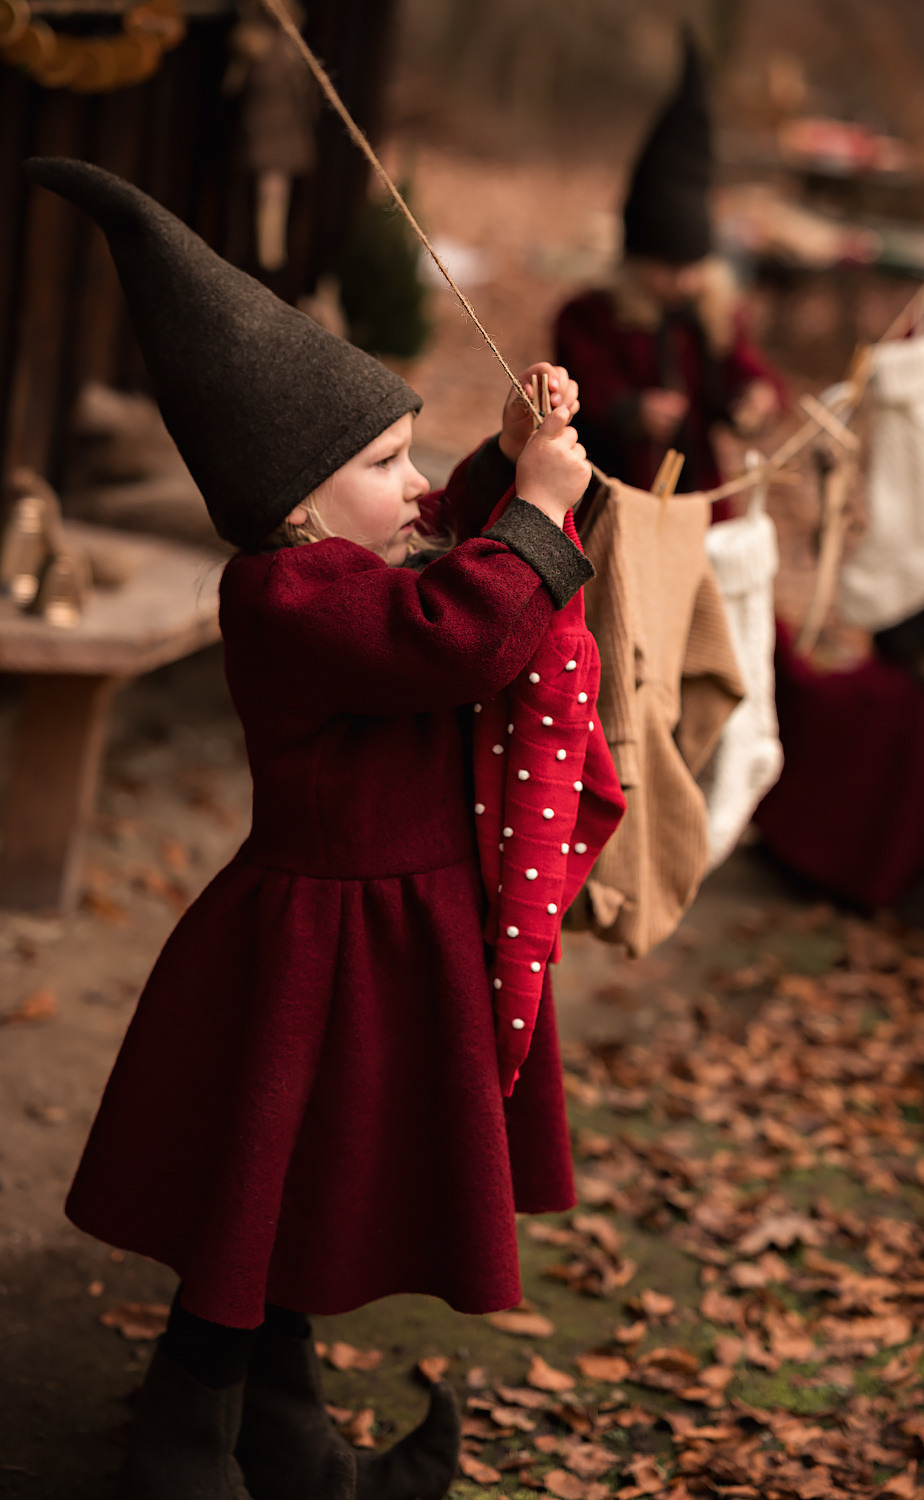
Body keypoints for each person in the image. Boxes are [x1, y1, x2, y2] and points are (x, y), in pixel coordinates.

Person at [23, 157, 621, 1500]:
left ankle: (284, 1439)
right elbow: (457, 635)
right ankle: (185, 1447)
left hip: (388, 939)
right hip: (312, 949)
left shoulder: (353, 563)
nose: (415, 488)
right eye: (385, 462)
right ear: (294, 505)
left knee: (294, 1199)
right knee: (253, 1206)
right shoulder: (292, 601)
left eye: (414, 455)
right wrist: (533, 503)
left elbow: (455, 555)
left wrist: (509, 458)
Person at [554, 28, 780, 498]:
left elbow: (742, 371)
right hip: (612, 491)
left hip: (695, 498)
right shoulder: (593, 315)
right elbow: (589, 383)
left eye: (694, 265)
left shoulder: (711, 312)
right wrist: (632, 410)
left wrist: (755, 398)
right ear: (638, 260)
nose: (684, 281)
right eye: (669, 267)